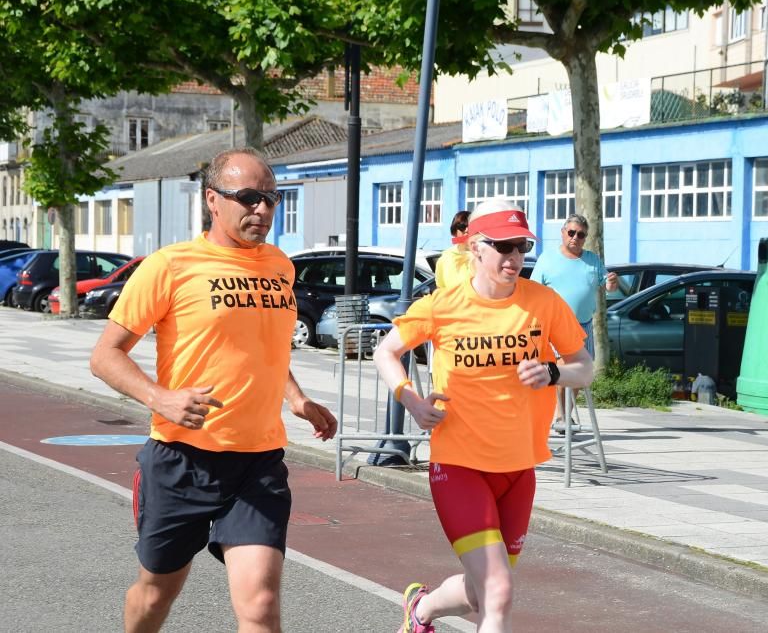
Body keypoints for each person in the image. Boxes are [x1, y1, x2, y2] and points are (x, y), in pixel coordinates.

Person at [90, 148, 337, 633]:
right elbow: (105, 356)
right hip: (182, 461)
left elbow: (261, 347)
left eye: (271, 199)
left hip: (258, 461)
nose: (261, 210)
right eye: (248, 198)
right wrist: (159, 397)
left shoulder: (280, 267)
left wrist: (296, 399)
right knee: (155, 595)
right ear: (212, 200)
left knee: (261, 605)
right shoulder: (170, 266)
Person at [373, 199, 593, 633]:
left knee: (486, 591)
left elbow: (585, 368)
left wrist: (553, 372)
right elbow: (386, 351)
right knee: (499, 592)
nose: (513, 257)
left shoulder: (543, 303)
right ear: (475, 247)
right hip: (459, 466)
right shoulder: (443, 304)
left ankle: (421, 609)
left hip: (517, 470)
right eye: (503, 247)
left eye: (521, 248)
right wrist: (412, 400)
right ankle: (423, 610)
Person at [530, 214, 618, 429]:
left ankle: (564, 413)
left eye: (581, 235)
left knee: (580, 371)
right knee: (561, 367)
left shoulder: (593, 260)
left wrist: (612, 284)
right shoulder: (547, 259)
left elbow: (607, 286)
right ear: (563, 232)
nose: (575, 238)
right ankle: (560, 416)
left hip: (583, 325)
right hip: (555, 325)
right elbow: (534, 290)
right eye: (571, 233)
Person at [434, 210, 471, 289]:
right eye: (462, 227)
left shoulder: (484, 255)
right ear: (454, 231)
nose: (467, 230)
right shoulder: (445, 259)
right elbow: (440, 290)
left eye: (471, 227)